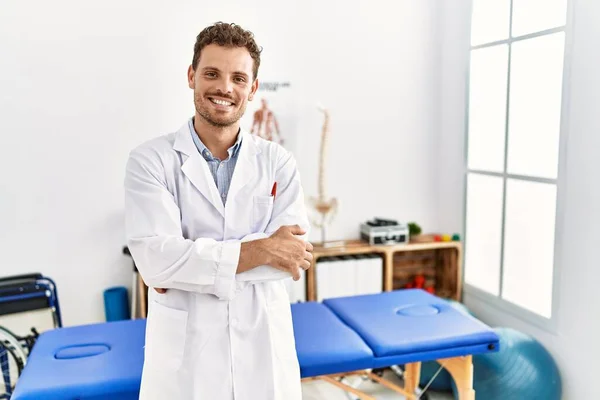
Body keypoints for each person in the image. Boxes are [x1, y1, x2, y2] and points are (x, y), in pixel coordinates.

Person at [124, 22, 313, 400]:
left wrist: (188, 264)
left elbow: (291, 257)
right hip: (186, 363)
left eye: (238, 78)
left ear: (252, 88)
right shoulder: (150, 161)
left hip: (263, 352)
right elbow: (157, 261)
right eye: (212, 74)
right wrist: (260, 250)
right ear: (192, 76)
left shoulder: (278, 162)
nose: (224, 88)